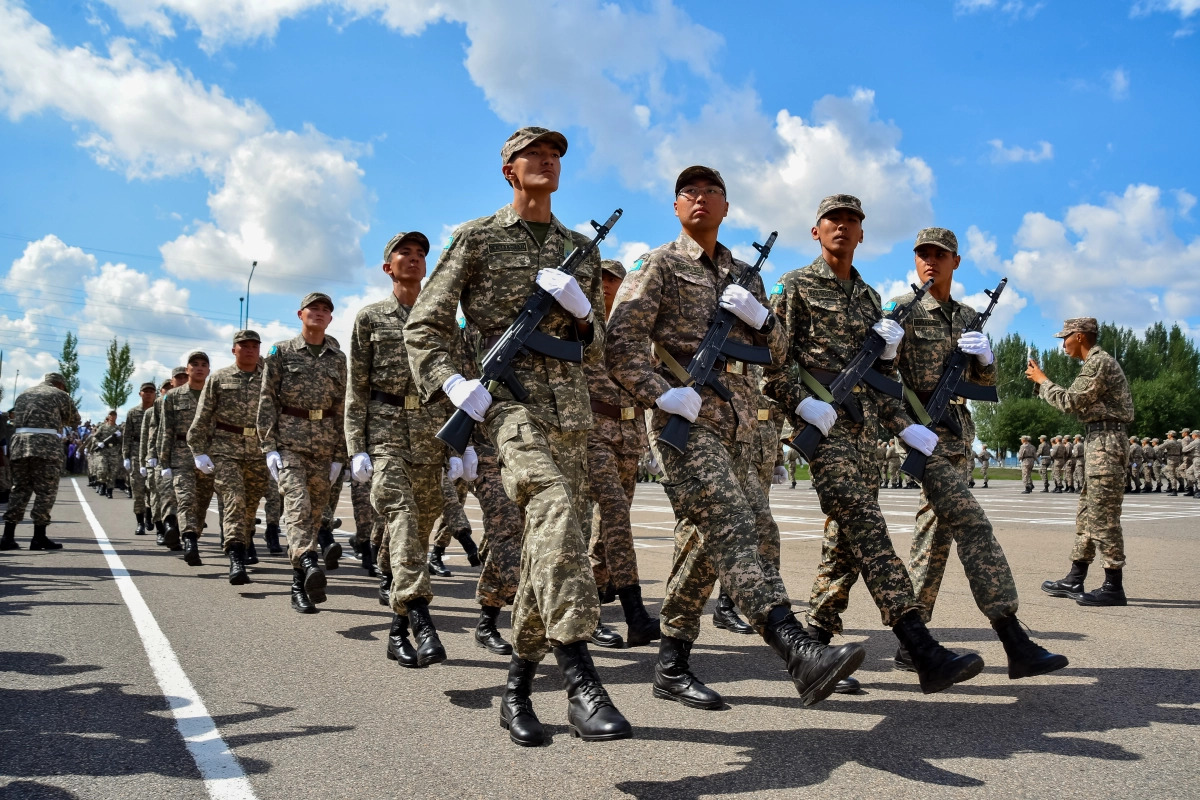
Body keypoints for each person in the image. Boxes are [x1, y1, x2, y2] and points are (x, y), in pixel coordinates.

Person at [610, 170, 867, 711]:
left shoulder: (743, 275)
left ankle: (671, 663)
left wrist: (762, 316)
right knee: (732, 521)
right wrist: (659, 393)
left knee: (711, 541)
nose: (700, 199)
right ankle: (796, 647)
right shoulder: (658, 264)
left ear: (726, 206)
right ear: (676, 206)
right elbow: (621, 339)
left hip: (741, 425)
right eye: (689, 192)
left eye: (711, 192)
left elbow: (777, 352)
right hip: (685, 418)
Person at [406, 128, 630, 745]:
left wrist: (584, 314)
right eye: (534, 153)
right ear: (508, 168)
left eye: (556, 154)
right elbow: (424, 325)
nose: (548, 161)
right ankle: (583, 680)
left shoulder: (580, 249)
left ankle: (516, 691)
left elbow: (597, 348)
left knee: (549, 549)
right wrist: (451, 383)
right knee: (555, 509)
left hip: (571, 413)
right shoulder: (477, 238)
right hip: (505, 404)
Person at [766, 196, 984, 696]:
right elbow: (772, 359)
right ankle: (921, 646)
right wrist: (800, 404)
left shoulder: (868, 298)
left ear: (862, 234)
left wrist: (902, 423)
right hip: (821, 427)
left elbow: (880, 376)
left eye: (852, 221)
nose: (842, 227)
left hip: (863, 431)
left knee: (846, 541)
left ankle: (815, 651)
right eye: (833, 220)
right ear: (815, 231)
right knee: (868, 526)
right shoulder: (795, 285)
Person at [884, 227, 1066, 678]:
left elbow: (986, 388)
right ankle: (1012, 637)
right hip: (922, 439)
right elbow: (882, 378)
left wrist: (986, 361)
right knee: (973, 524)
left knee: (935, 537)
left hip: (958, 439)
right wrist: (904, 430)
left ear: (955, 262)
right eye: (923, 254)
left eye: (939, 255)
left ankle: (914, 641)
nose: (930, 262)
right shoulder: (902, 312)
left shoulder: (967, 317)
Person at [347, 230, 460, 659]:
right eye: (404, 253)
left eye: (419, 254)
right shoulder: (370, 318)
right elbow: (356, 389)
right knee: (403, 519)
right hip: (386, 435)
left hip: (432, 437)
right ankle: (421, 621)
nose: (413, 259)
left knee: (417, 532)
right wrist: (356, 445)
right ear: (387, 266)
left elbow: (459, 382)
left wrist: (460, 446)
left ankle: (397, 634)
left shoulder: (443, 320)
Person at [1030, 317, 1135, 607]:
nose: (1062, 344)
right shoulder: (1095, 363)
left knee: (1103, 515)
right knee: (1088, 512)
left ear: (1079, 336)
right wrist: (1042, 385)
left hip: (1106, 441)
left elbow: (1070, 401)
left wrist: (1043, 381)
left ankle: (1113, 586)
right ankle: (1076, 576)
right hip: (1097, 439)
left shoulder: (1098, 362)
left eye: (1064, 338)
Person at [584, 258, 659, 648]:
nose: (609, 286)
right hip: (593, 432)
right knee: (613, 513)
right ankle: (635, 612)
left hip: (629, 435)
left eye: (616, 280)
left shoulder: (636, 331)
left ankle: (592, 608)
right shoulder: (583, 326)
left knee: (609, 527)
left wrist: (646, 440)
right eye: (603, 280)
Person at [260, 293, 348, 614]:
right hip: (289, 443)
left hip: (324, 448)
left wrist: (341, 453)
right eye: (314, 308)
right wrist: (268, 446)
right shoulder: (280, 352)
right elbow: (267, 399)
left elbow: (342, 408)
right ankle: (310, 561)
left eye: (326, 310)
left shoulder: (338, 358)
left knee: (312, 517)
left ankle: (299, 584)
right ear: (301, 314)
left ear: (330, 319)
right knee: (297, 508)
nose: (320, 313)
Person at [189, 330, 271, 586]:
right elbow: (203, 415)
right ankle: (236, 557)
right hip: (226, 449)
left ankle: (243, 544)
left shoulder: (269, 379)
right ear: (233, 349)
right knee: (234, 500)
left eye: (254, 346)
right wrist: (198, 450)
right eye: (243, 346)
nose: (249, 350)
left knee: (249, 507)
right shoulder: (220, 378)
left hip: (259, 451)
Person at [0, 373, 79, 551]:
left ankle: (7, 536)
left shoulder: (24, 394)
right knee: (45, 491)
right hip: (46, 445)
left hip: (20, 443)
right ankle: (38, 537)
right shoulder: (61, 395)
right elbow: (74, 419)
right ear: (60, 385)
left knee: (19, 489)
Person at [159, 351, 215, 567]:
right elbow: (167, 430)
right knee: (186, 499)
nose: (199, 367)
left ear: (208, 370)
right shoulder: (173, 396)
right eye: (194, 364)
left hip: (209, 454)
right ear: (187, 369)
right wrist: (164, 462)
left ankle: (194, 533)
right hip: (181, 454)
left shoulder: (214, 393)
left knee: (201, 503)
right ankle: (190, 542)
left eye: (204, 364)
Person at [123, 383, 157, 535]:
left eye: (151, 391)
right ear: (140, 394)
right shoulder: (133, 412)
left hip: (154, 454)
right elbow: (127, 435)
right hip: (137, 454)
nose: (148, 394)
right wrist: (126, 456)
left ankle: (150, 515)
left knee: (152, 490)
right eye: (145, 391)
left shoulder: (159, 410)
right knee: (138, 490)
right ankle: (140, 523)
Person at [1161, 430, 1182, 496]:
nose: (1167, 436)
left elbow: (1160, 448)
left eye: (1168, 435)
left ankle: (1174, 490)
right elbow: (1182, 451)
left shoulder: (1169, 442)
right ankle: (1179, 486)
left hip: (1171, 459)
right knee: (1175, 474)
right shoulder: (1178, 443)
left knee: (1172, 475)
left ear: (1170, 435)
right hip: (1177, 459)